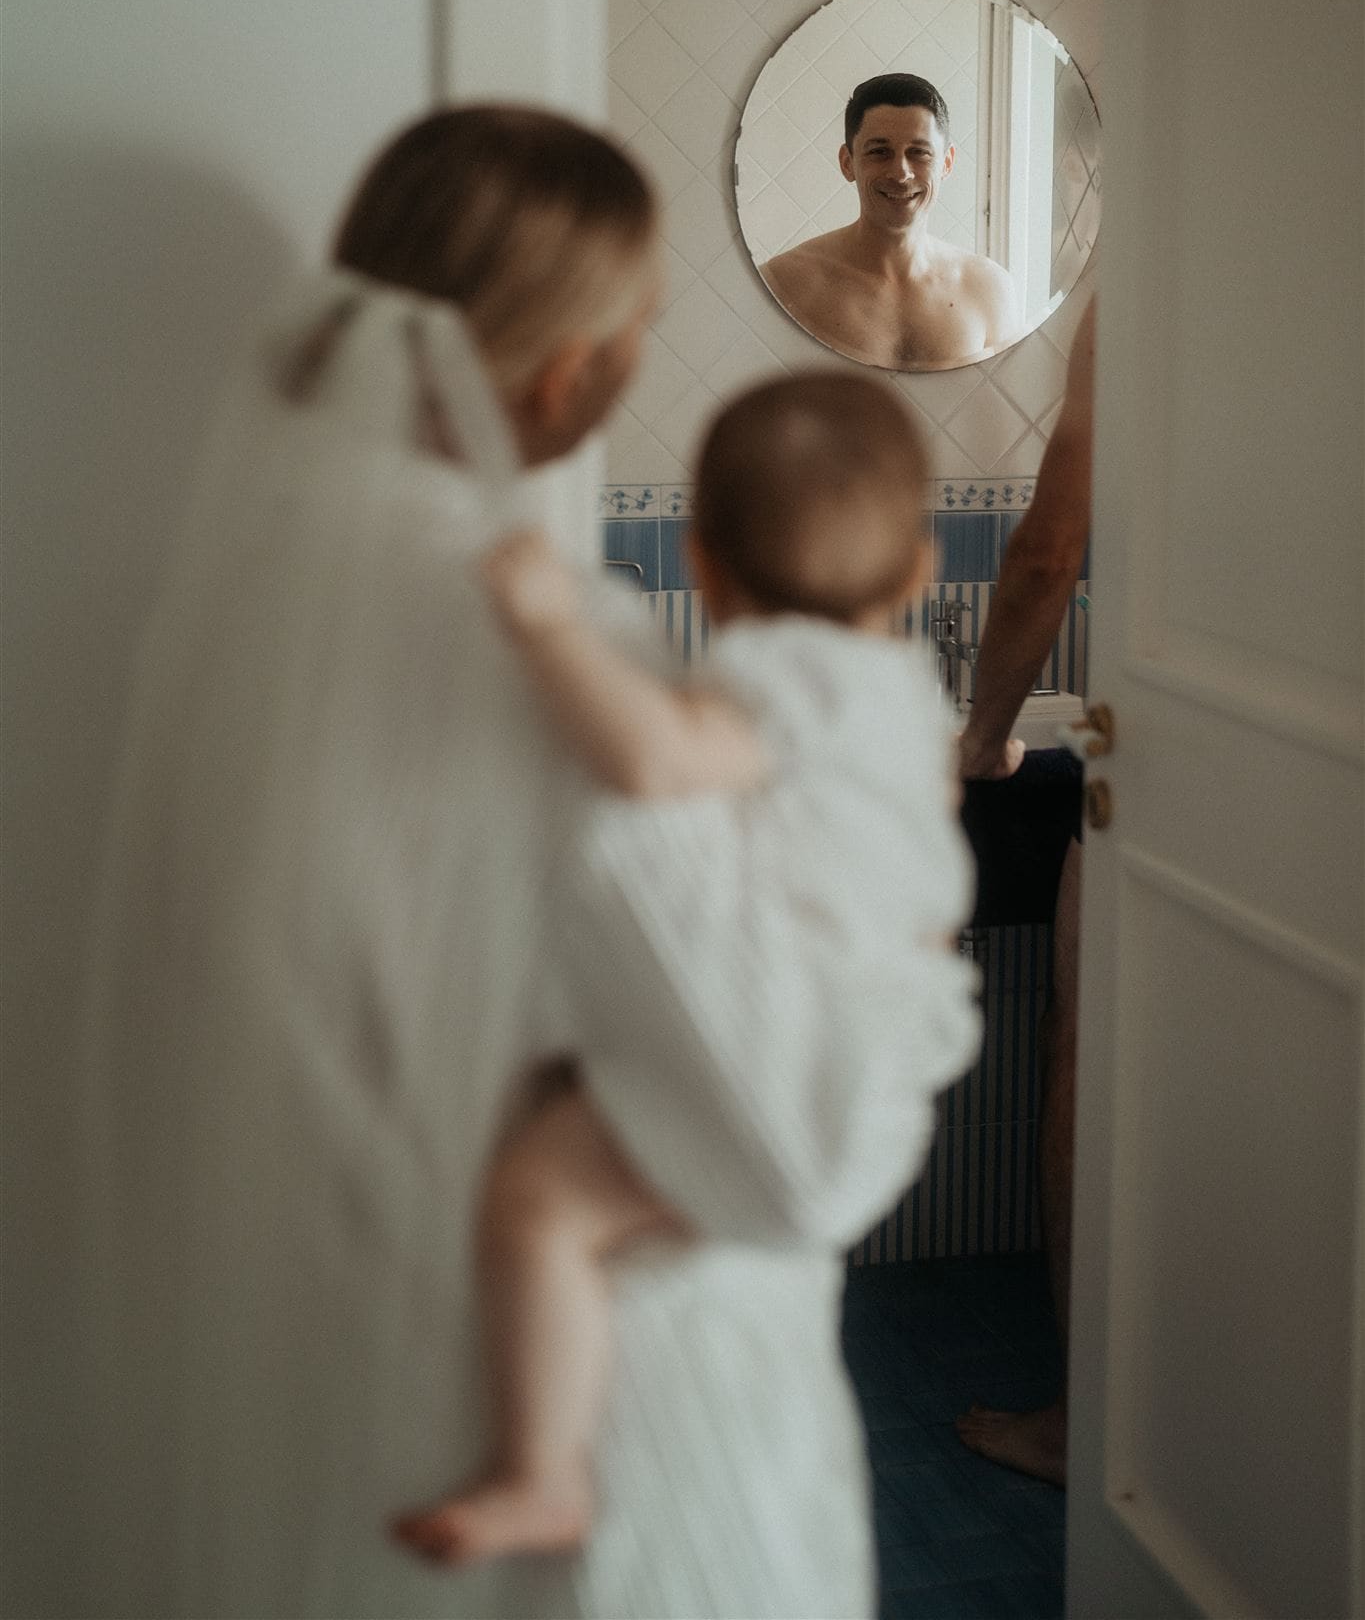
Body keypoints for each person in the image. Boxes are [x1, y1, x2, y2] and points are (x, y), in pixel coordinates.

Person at [74, 104, 984, 1620]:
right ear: (574, 367)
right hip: (633, 1404)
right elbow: (786, 1141)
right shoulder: (570, 655)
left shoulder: (256, 589)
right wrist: (914, 990)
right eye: (637, 321)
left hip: (341, 1321)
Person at [391, 370, 981, 1569]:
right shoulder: (912, 701)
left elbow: (659, 763)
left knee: (538, 1206)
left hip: (766, 1075)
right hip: (868, 1110)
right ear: (922, 573)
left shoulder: (784, 674)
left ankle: (542, 1469)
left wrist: (547, 624)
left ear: (699, 563)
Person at [955, 293, 1096, 1489]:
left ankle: (1086, 1418)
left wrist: (984, 736)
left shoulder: (1158, 284)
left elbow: (1050, 547)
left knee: (1087, 1056)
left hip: (1191, 781)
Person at [760, 73, 1023, 370]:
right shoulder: (786, 283)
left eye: (919, 153)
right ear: (848, 163)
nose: (901, 173)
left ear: (946, 164)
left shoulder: (989, 288)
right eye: (880, 152)